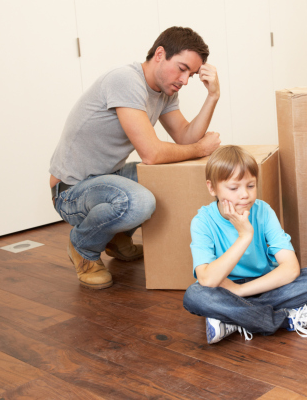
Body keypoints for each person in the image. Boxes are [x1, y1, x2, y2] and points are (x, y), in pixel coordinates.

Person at [50, 26, 222, 290]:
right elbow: (152, 154)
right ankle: (82, 247)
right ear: (160, 54)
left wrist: (213, 96)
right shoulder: (125, 80)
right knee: (139, 201)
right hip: (70, 191)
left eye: (192, 74)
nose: (185, 80)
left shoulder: (166, 92)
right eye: (182, 68)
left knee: (172, 178)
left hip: (105, 180)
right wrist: (201, 149)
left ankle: (116, 238)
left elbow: (186, 138)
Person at [183, 145, 307, 344]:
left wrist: (239, 292)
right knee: (195, 295)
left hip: (265, 284)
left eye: (250, 185)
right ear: (212, 188)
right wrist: (244, 236)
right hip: (224, 288)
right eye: (233, 188)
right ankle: (286, 319)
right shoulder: (202, 221)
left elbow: (290, 269)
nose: (244, 195)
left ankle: (233, 319)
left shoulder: (263, 211)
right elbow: (208, 280)